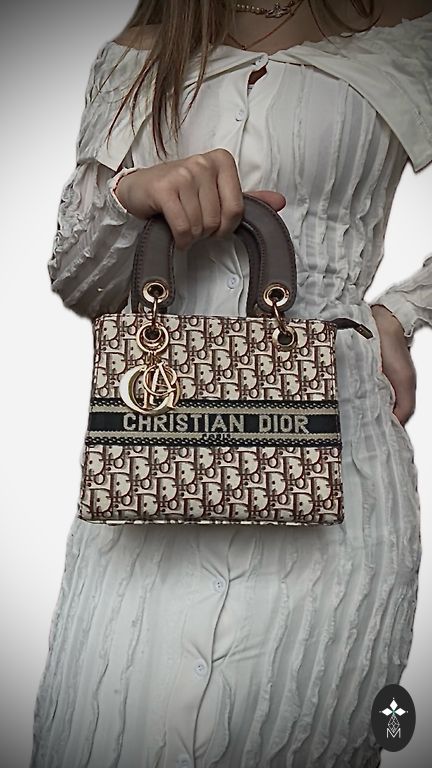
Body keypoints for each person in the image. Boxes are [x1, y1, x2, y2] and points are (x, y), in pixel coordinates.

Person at [30, 1, 432, 766]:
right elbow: (81, 280)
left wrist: (403, 310)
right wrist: (129, 197)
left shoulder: (410, 24)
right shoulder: (143, 47)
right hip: (151, 466)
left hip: (335, 463)